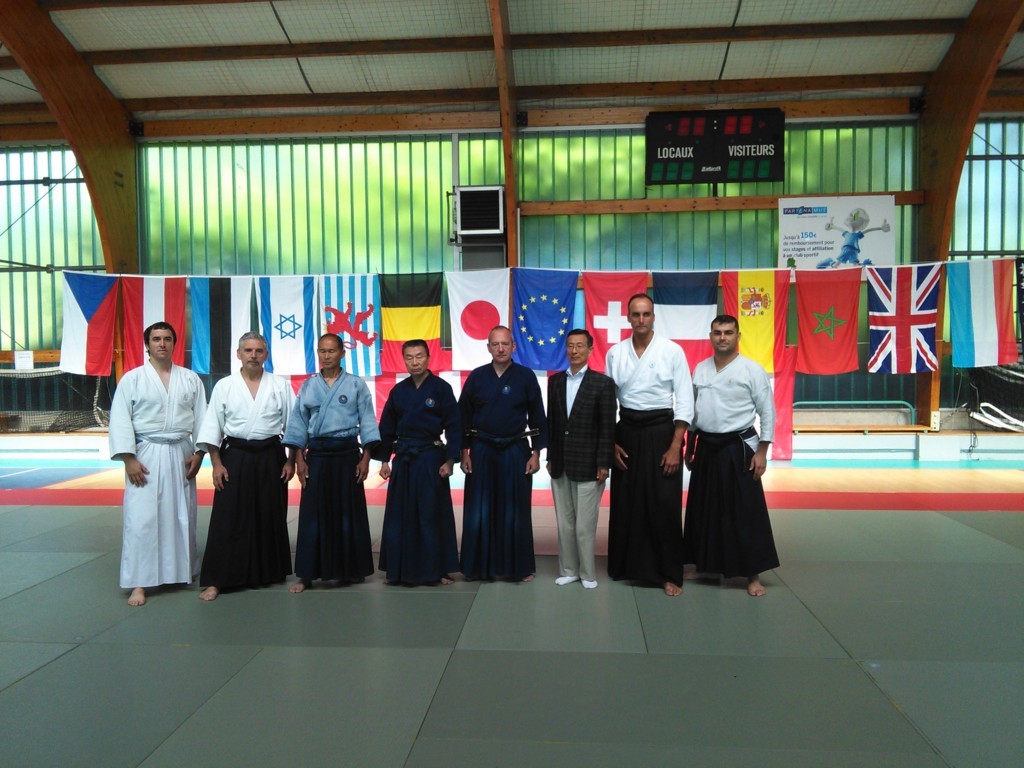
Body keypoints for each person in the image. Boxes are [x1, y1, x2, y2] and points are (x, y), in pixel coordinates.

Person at [108, 321, 207, 607]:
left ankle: (178, 572)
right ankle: (139, 582)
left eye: (167, 339)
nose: (162, 343)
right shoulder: (133, 379)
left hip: (181, 452)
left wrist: (199, 453)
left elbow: (202, 418)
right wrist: (128, 459)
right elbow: (120, 419)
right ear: (147, 345)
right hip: (146, 454)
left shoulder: (190, 379)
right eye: (156, 339)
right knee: (141, 519)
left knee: (181, 514)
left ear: (174, 343)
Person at [683, 315, 780, 597]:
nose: (722, 337)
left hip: (738, 446)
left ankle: (752, 574)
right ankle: (703, 564)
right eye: (717, 332)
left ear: (738, 336)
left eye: (728, 332)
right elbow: (695, 412)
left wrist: (762, 451)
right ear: (710, 336)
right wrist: (690, 445)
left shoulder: (752, 370)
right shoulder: (701, 369)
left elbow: (767, 411)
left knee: (744, 510)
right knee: (704, 508)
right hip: (706, 445)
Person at [195, 332, 296, 601]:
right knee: (227, 516)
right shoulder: (225, 386)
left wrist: (290, 460)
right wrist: (216, 464)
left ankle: (266, 573)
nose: (253, 355)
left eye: (259, 351)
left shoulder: (279, 385)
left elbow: (293, 426)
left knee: (269, 513)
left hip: (270, 455)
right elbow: (212, 428)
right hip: (235, 455)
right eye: (248, 350)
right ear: (238, 354)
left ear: (266, 355)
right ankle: (217, 579)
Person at [604, 294, 693, 596]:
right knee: (626, 501)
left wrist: (675, 445)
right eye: (635, 314)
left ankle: (668, 573)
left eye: (646, 314)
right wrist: (611, 441)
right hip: (627, 430)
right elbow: (608, 402)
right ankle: (624, 566)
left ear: (654, 316)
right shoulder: (616, 353)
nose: (641, 320)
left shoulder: (672, 351)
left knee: (663, 503)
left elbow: (684, 400)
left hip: (661, 431)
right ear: (628, 318)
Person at [283, 333, 380, 592]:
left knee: (348, 512)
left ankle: (350, 569)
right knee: (312, 512)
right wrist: (300, 459)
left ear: (342, 353)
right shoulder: (308, 386)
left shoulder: (356, 385)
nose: (326, 356)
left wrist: (366, 458)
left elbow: (367, 421)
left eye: (331, 351)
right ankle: (307, 573)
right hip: (317, 455)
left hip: (347, 454)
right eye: (322, 351)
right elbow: (298, 423)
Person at [458, 326, 547, 582]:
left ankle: (517, 568)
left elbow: (537, 416)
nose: (500, 348)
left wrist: (536, 453)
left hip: (515, 449)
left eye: (505, 344)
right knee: (479, 509)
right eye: (495, 344)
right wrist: (464, 452)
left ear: (513, 347)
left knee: (515, 510)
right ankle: (477, 567)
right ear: (488, 347)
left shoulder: (525, 376)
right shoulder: (477, 377)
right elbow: (462, 417)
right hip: (482, 448)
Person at [374, 340, 460, 585]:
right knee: (400, 515)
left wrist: (450, 460)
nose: (415, 362)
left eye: (419, 356)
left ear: (428, 358)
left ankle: (438, 569)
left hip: (431, 457)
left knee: (432, 514)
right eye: (409, 357)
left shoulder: (441, 388)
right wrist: (384, 460)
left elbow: (454, 426)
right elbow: (387, 427)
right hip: (404, 458)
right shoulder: (399, 391)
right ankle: (398, 569)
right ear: (404, 360)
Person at [546, 329, 616, 589]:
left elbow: (607, 427)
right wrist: (550, 457)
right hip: (560, 463)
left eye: (579, 346)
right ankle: (569, 569)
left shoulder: (602, 384)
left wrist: (603, 463)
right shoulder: (555, 382)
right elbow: (552, 423)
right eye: (570, 346)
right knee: (564, 523)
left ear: (590, 349)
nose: (574, 351)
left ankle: (587, 574)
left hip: (589, 464)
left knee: (584, 526)